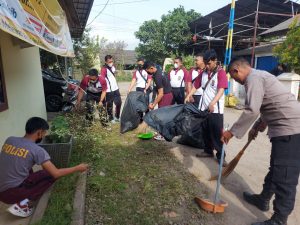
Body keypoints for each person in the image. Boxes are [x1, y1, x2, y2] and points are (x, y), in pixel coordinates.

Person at [222, 57, 300, 225]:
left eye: (235, 79)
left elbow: (252, 110)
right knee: (277, 169)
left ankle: (279, 220)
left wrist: (231, 132)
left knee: (285, 176)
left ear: (237, 70)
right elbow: (268, 103)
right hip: (285, 128)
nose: (238, 83)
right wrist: (258, 126)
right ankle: (263, 199)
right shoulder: (260, 75)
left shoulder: (253, 78)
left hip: (291, 129)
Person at [0, 117, 88, 217]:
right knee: (48, 175)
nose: (44, 135)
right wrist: (77, 168)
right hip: (9, 195)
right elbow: (56, 173)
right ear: (39, 133)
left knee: (24, 165)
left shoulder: (10, 140)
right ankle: (22, 204)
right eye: (44, 133)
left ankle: (22, 193)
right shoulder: (37, 150)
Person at [185, 49, 228, 165]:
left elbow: (221, 90)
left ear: (215, 61)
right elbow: (196, 85)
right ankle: (208, 151)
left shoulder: (221, 73)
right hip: (203, 107)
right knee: (205, 131)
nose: (207, 66)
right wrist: (189, 95)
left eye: (209, 63)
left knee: (217, 133)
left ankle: (221, 156)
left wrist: (213, 103)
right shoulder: (203, 73)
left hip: (216, 110)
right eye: (206, 63)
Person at [144, 61, 173, 140]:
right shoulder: (159, 71)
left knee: (163, 116)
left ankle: (163, 135)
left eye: (147, 71)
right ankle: (161, 132)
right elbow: (156, 89)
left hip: (166, 96)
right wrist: (153, 101)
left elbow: (160, 93)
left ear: (151, 68)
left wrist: (153, 104)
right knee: (163, 114)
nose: (147, 73)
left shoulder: (157, 76)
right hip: (167, 94)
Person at [100, 55, 122, 122]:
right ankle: (110, 118)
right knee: (110, 105)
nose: (111, 62)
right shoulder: (104, 69)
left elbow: (113, 75)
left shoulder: (113, 67)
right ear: (106, 62)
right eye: (109, 61)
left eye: (112, 61)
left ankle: (117, 117)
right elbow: (102, 78)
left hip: (116, 89)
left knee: (119, 103)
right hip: (109, 90)